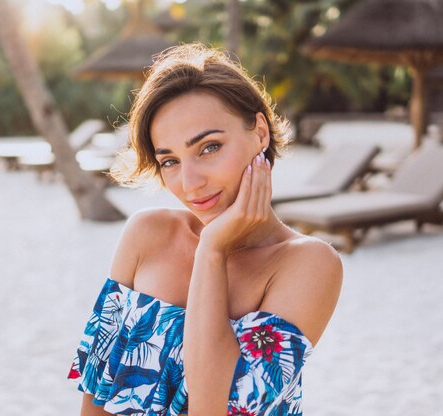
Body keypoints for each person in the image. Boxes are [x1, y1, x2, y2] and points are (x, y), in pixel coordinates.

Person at [68, 43, 342, 416]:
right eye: (170, 161)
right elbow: (95, 397)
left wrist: (211, 250)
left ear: (260, 132)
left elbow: (213, 409)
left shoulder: (308, 265)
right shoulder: (147, 234)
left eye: (209, 147)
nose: (190, 183)